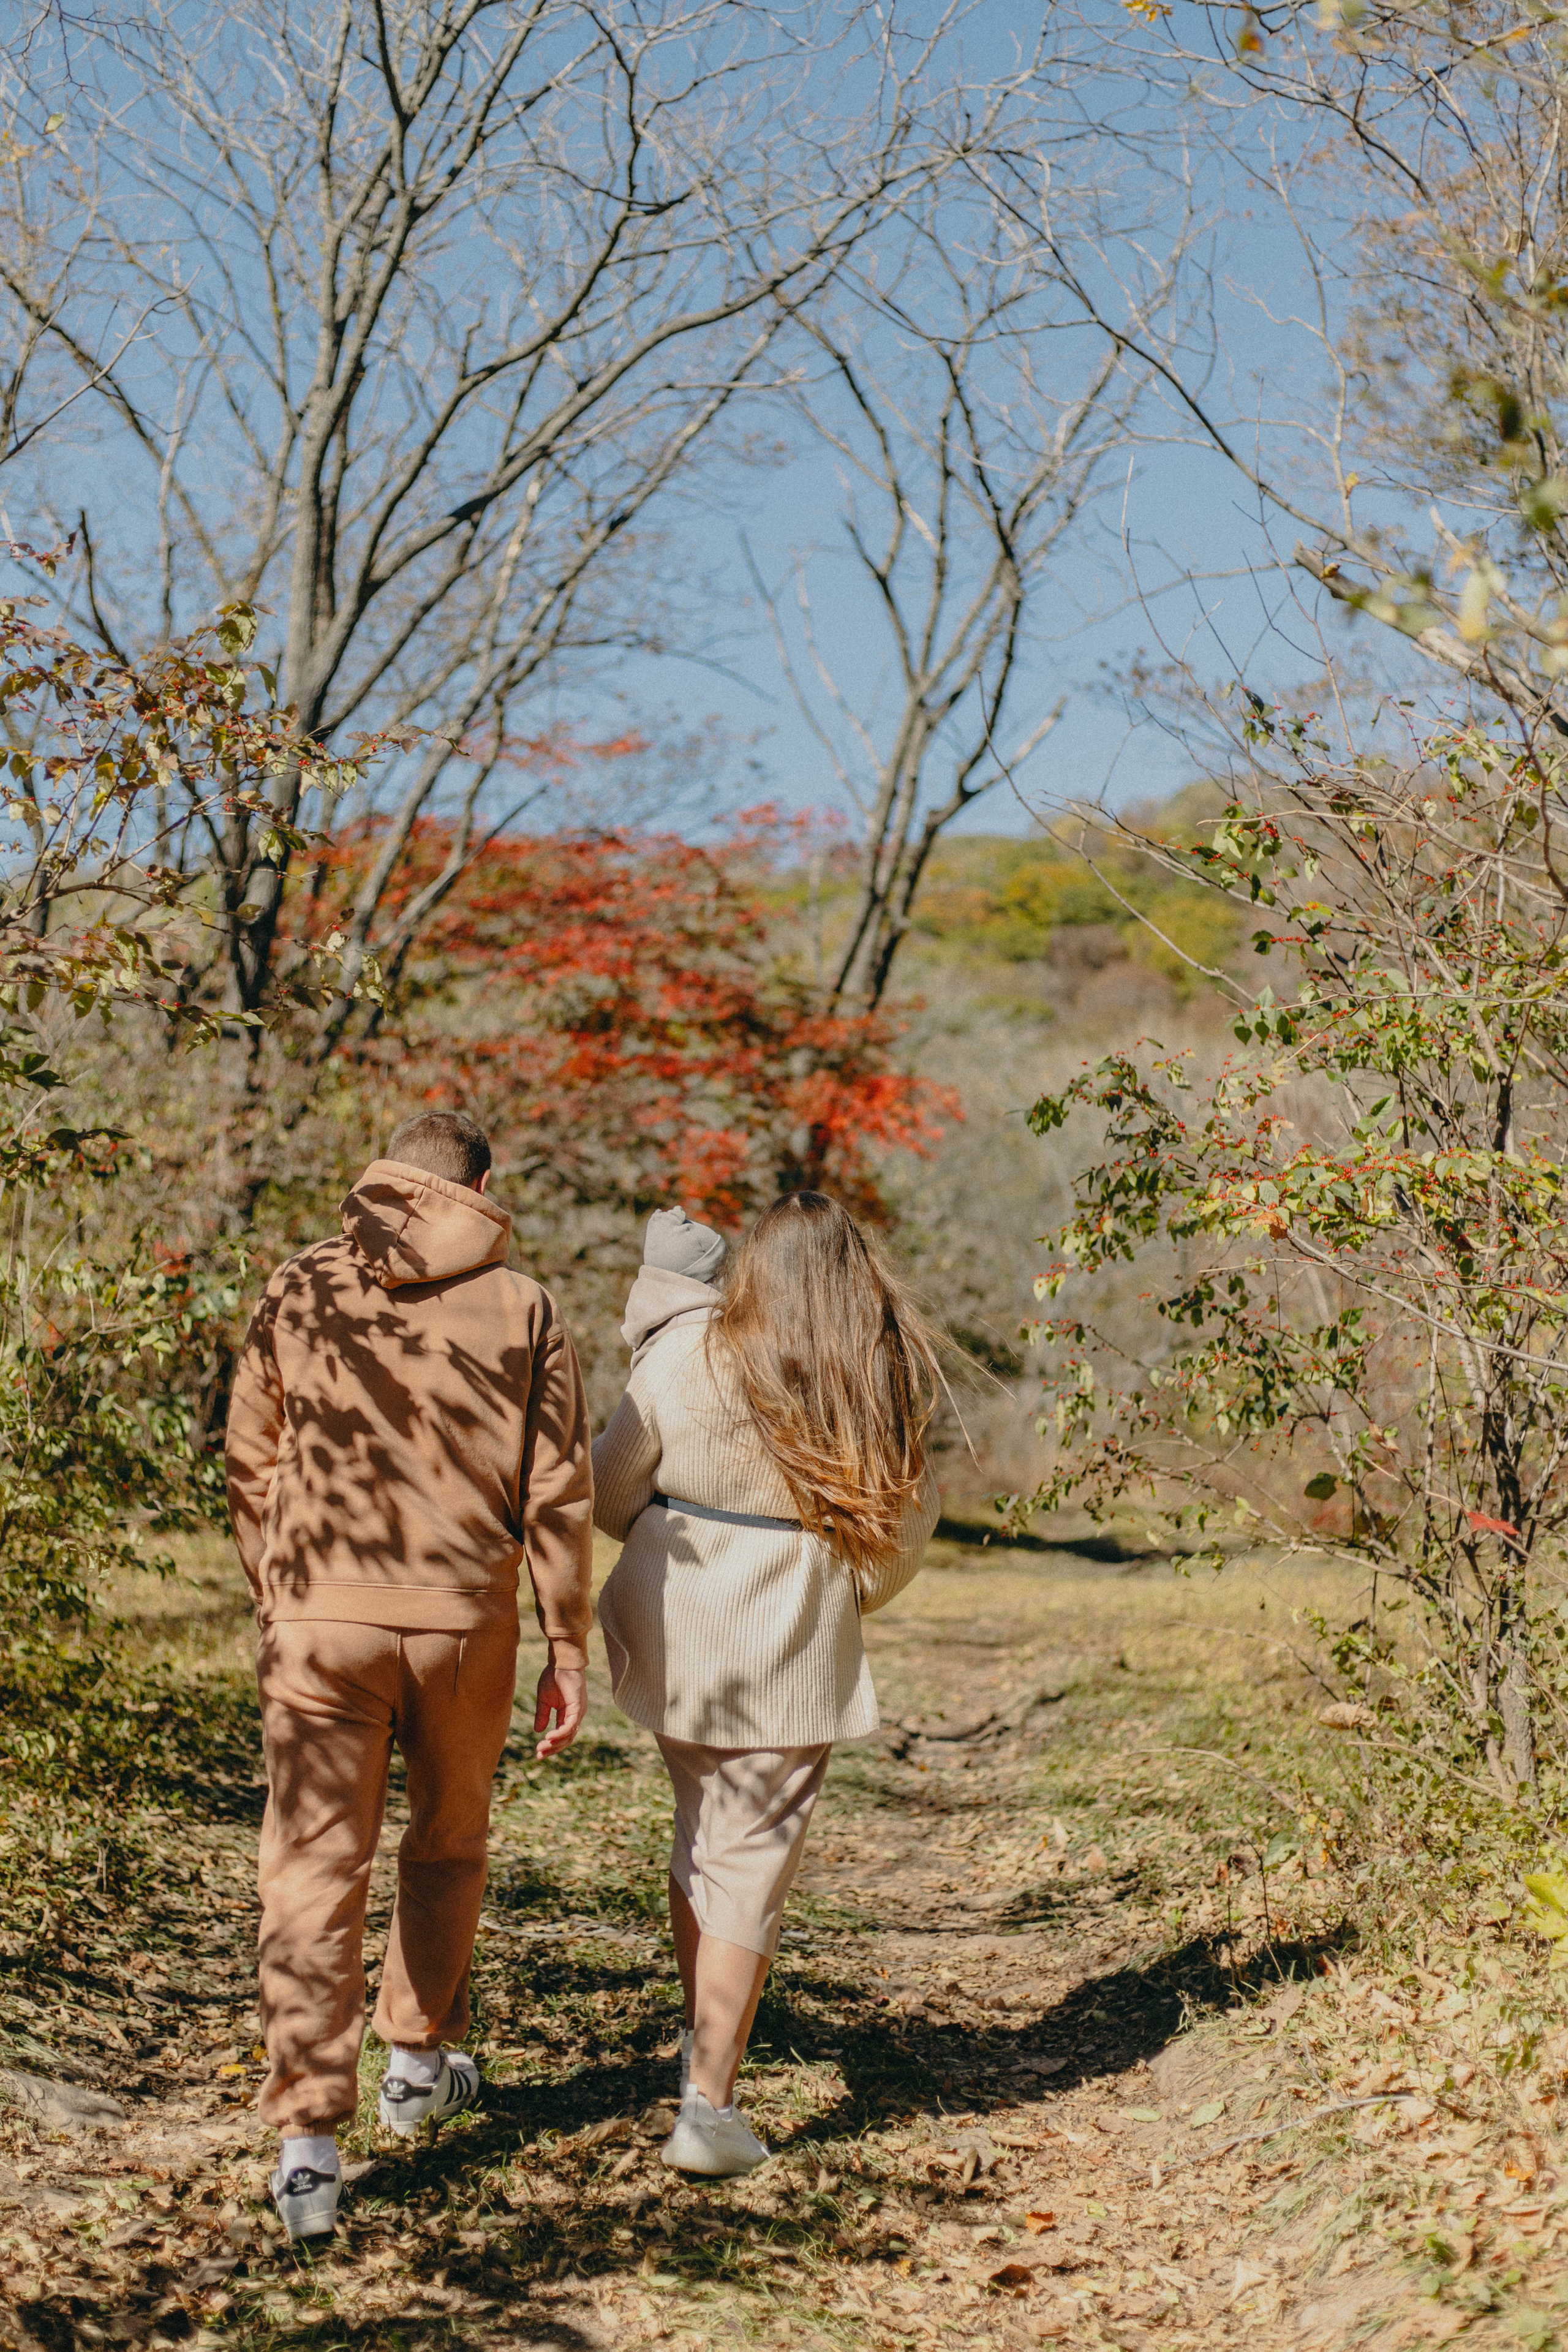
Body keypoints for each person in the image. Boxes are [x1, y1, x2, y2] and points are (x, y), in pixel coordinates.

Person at [225, 1112, 594, 2241]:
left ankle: (307, 2149)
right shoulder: (523, 1303)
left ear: (383, 1180)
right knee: (449, 1838)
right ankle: (415, 2064)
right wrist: (566, 1643)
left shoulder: (301, 1285)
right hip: (462, 1622)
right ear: (483, 1184)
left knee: (309, 1868)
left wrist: (282, 1584)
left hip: (319, 1618)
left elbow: (251, 1455)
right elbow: (560, 1491)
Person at [592, 1190, 940, 2179]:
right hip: (788, 1630)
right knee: (749, 1859)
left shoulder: (686, 1352)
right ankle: (708, 2103)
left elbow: (610, 1490)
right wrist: (840, 1587)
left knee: (707, 1835)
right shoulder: (874, 1371)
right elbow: (907, 1527)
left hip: (677, 1621)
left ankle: (704, 2054)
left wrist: (680, 1528)